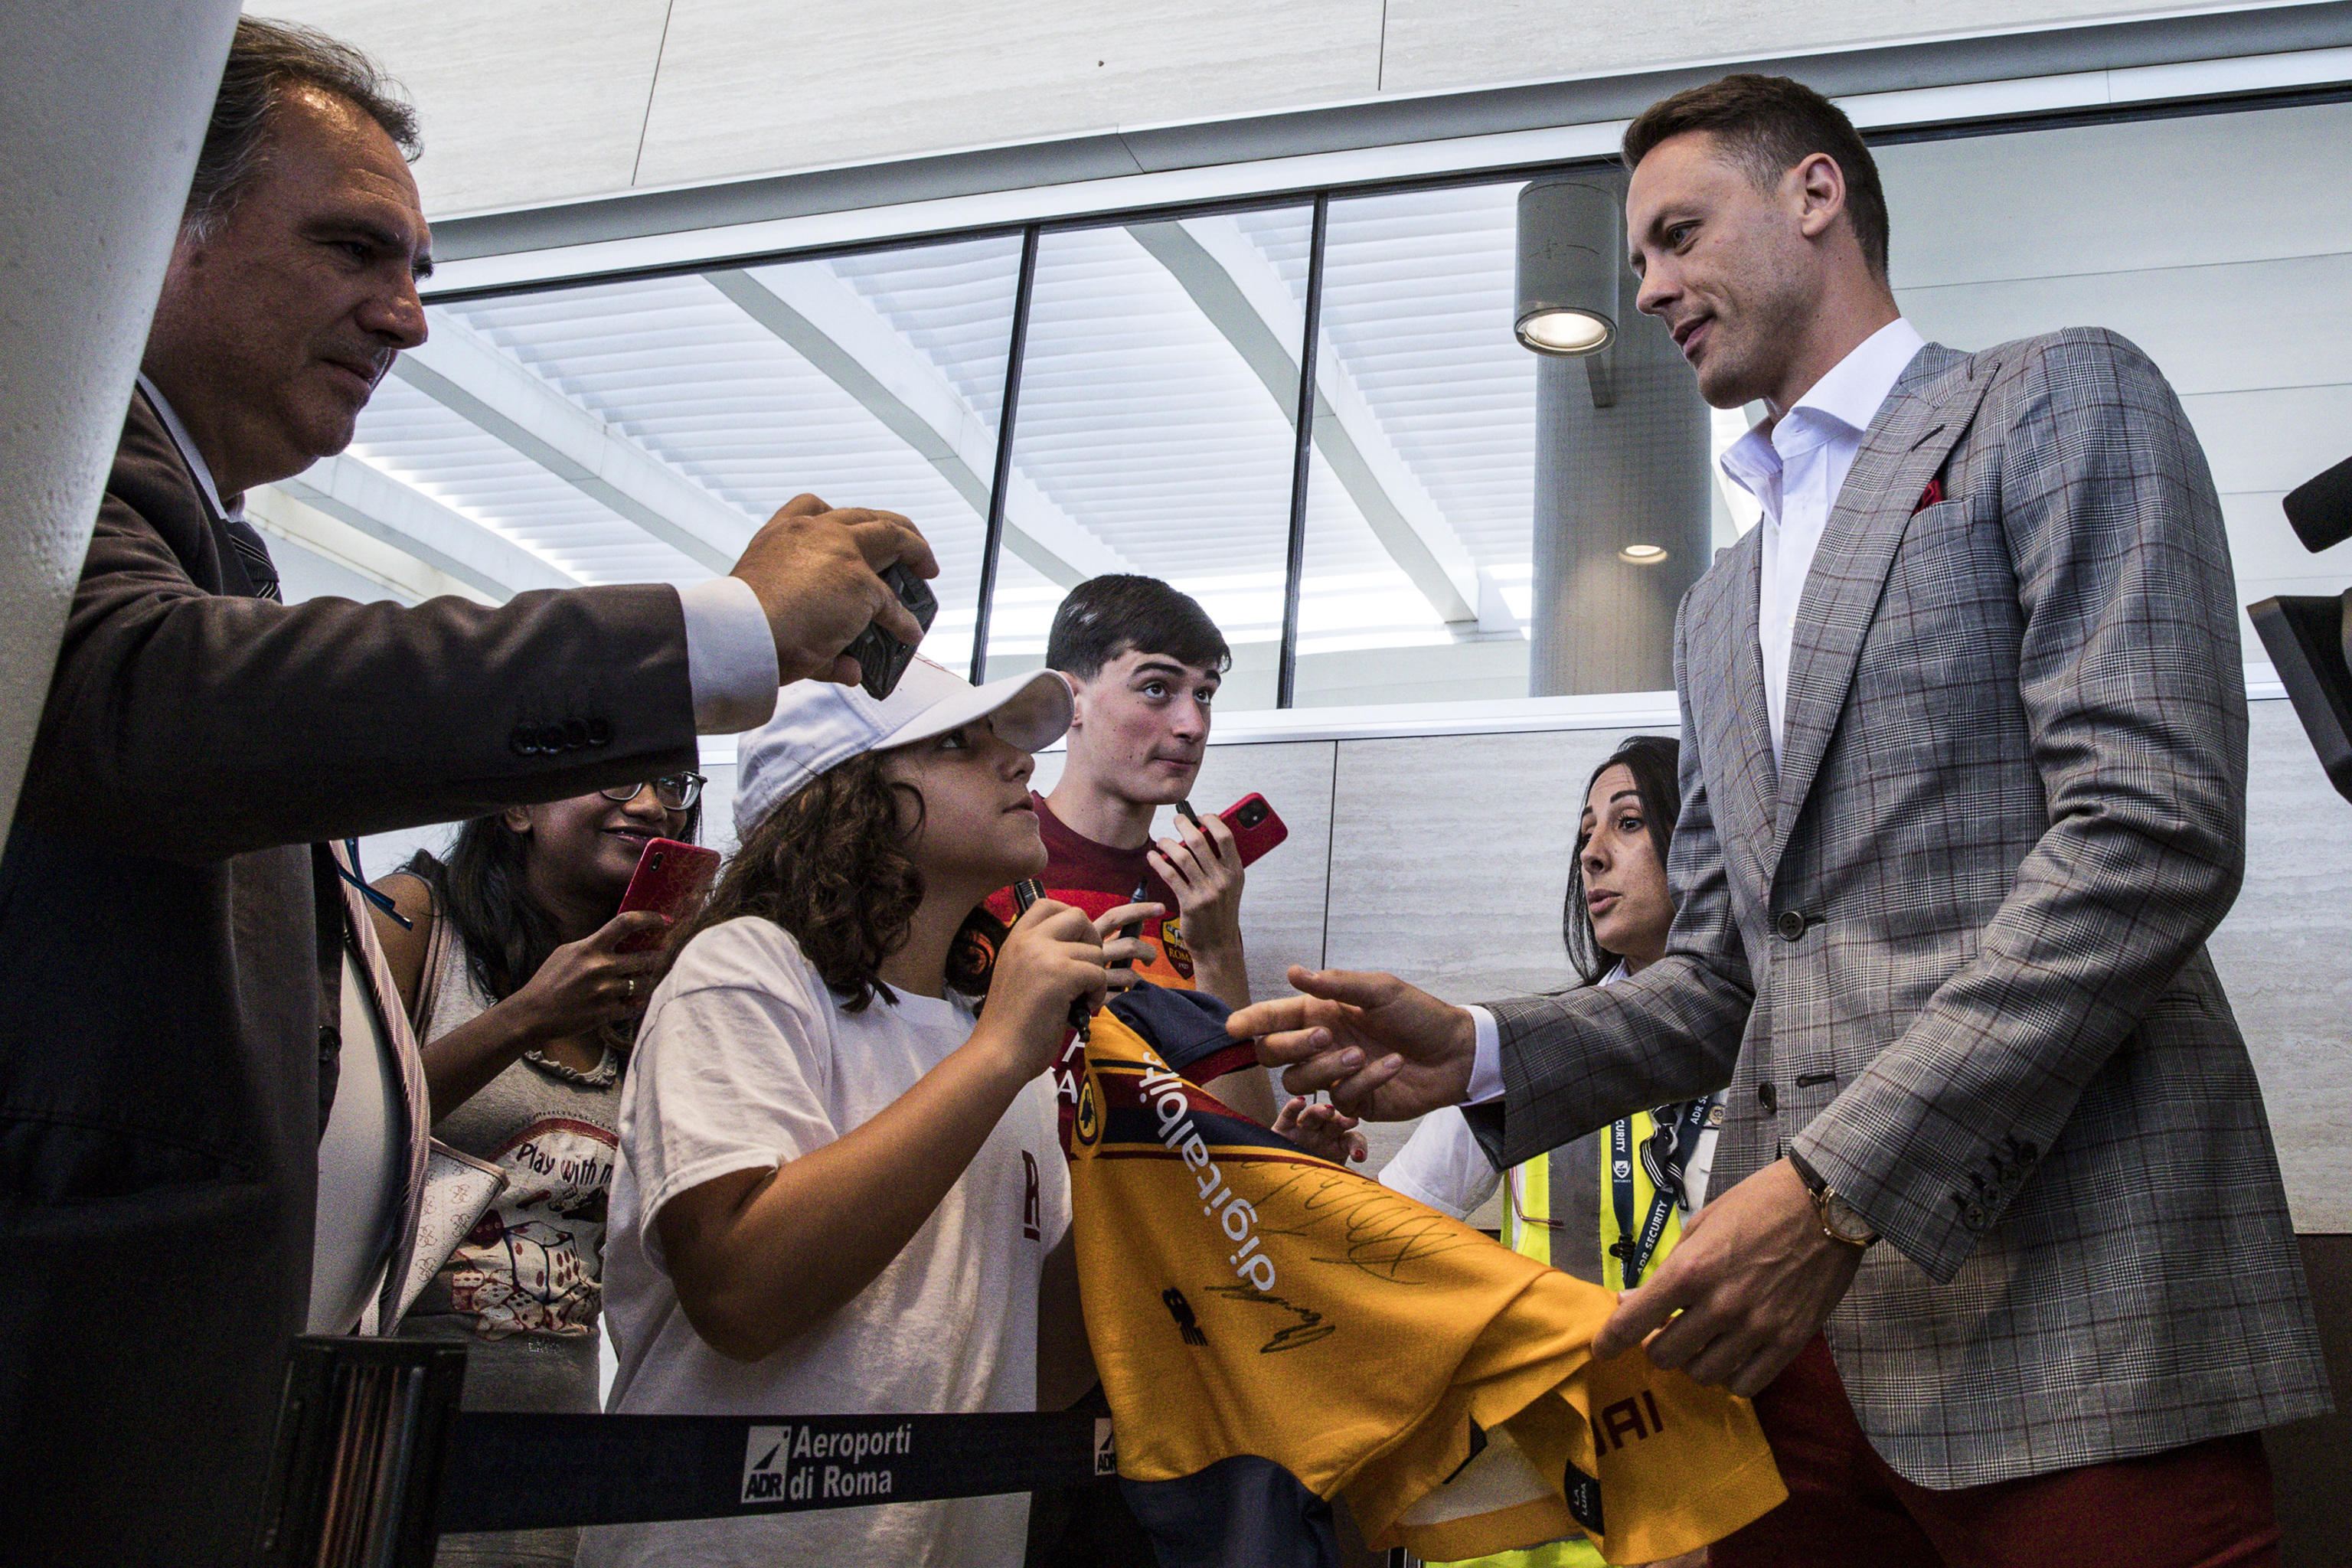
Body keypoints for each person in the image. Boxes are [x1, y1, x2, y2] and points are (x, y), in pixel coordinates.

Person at [1237, 72, 2330, 1566]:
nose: (1646, 287)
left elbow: (2148, 833)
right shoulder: (1716, 604)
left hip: (2075, 1314)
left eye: (1677, 234)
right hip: (1784, 1367)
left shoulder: (2054, 397)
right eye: (1637, 258)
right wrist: (1486, 1050)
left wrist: (1828, 1193)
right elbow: (1725, 978)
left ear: (1815, 194)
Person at [0, 18, 936, 1565]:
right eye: (354, 248)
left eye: (419, 267)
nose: (410, 318)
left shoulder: (193, 532)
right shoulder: (51, 470)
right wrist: (717, 629)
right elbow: (146, 700)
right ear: (156, 223)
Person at [580, 657, 1143, 1567]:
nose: (1018, 762)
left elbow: (1034, 1371)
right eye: (957, 743)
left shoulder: (994, 1042)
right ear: (842, 800)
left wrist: (1160, 1177)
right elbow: (741, 1294)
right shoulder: (746, 970)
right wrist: (1002, 1050)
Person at [1382, 734, 1713, 1568]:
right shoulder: (1532, 1052)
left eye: (1629, 823)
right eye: (1584, 835)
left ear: (1702, 843)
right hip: (1542, 1498)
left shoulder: (1782, 1051)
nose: (1592, 855)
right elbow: (1388, 1228)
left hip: (1717, 1474)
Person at [368, 773, 706, 1568]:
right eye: (619, 776)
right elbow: (336, 1138)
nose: (651, 804)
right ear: (519, 804)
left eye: (672, 782)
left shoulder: (653, 988)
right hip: (389, 1445)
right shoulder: (415, 921)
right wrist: (526, 1017)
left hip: (553, 1453)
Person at [991, 575, 1278, 1123]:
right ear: (1071, 701)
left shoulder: (1197, 897)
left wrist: (1219, 951)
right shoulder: (990, 860)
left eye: (1205, 694)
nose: (1193, 726)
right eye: (1156, 688)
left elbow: (1246, 1136)